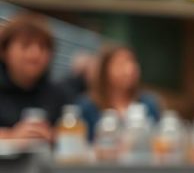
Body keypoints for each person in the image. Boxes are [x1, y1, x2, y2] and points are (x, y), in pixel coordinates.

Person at [0, 13, 73, 141]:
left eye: (43, 47)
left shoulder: (59, 94)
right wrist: (11, 136)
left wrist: (54, 137)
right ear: (5, 51)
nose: (35, 54)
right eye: (25, 46)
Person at [77, 45, 161, 140]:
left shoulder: (148, 103)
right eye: (121, 64)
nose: (129, 69)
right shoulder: (87, 106)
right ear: (105, 69)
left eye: (132, 62)